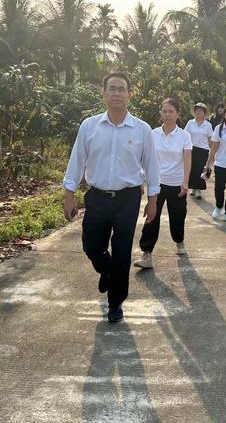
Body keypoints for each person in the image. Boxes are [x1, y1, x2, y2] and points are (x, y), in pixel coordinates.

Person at [63, 71, 160, 323]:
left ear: (129, 94)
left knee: (122, 252)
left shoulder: (142, 130)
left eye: (122, 89)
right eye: (112, 88)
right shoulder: (89, 126)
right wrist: (69, 194)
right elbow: (77, 160)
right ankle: (106, 271)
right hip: (96, 197)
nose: (117, 93)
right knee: (92, 246)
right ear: (103, 92)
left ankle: (115, 302)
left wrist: (153, 200)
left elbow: (151, 167)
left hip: (127, 199)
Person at [136, 98, 192, 269]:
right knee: (151, 217)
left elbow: (188, 159)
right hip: (156, 183)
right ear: (161, 113)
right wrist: (142, 180)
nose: (167, 115)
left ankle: (179, 241)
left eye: (171, 112)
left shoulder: (184, 135)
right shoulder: (152, 134)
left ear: (177, 114)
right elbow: (144, 159)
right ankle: (147, 254)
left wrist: (185, 181)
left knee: (178, 216)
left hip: (176, 184)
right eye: (164, 111)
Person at [185, 102, 213, 199]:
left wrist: (212, 154)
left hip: (203, 150)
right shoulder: (190, 123)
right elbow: (185, 136)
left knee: (200, 169)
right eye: (197, 110)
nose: (198, 112)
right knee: (192, 169)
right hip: (191, 149)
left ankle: (198, 190)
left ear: (204, 112)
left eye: (201, 110)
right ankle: (193, 188)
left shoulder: (208, 125)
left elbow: (210, 140)